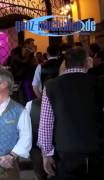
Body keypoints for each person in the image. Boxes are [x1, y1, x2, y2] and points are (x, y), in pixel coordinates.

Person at [38, 47, 104, 180]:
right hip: (97, 149)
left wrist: (46, 154)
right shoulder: (99, 82)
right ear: (86, 62)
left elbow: (46, 123)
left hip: (65, 151)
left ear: (65, 63)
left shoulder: (51, 85)